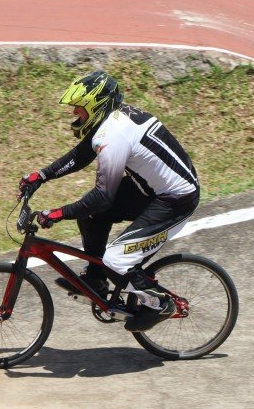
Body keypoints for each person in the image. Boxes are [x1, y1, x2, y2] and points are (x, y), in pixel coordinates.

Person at [17, 71, 200, 332]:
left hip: (175, 200)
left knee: (117, 259)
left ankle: (159, 304)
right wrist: (41, 176)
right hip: (151, 190)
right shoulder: (114, 120)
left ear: (95, 107)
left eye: (78, 108)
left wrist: (57, 213)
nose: (74, 114)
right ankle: (96, 280)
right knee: (90, 215)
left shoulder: (114, 136)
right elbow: (82, 154)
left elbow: (102, 197)